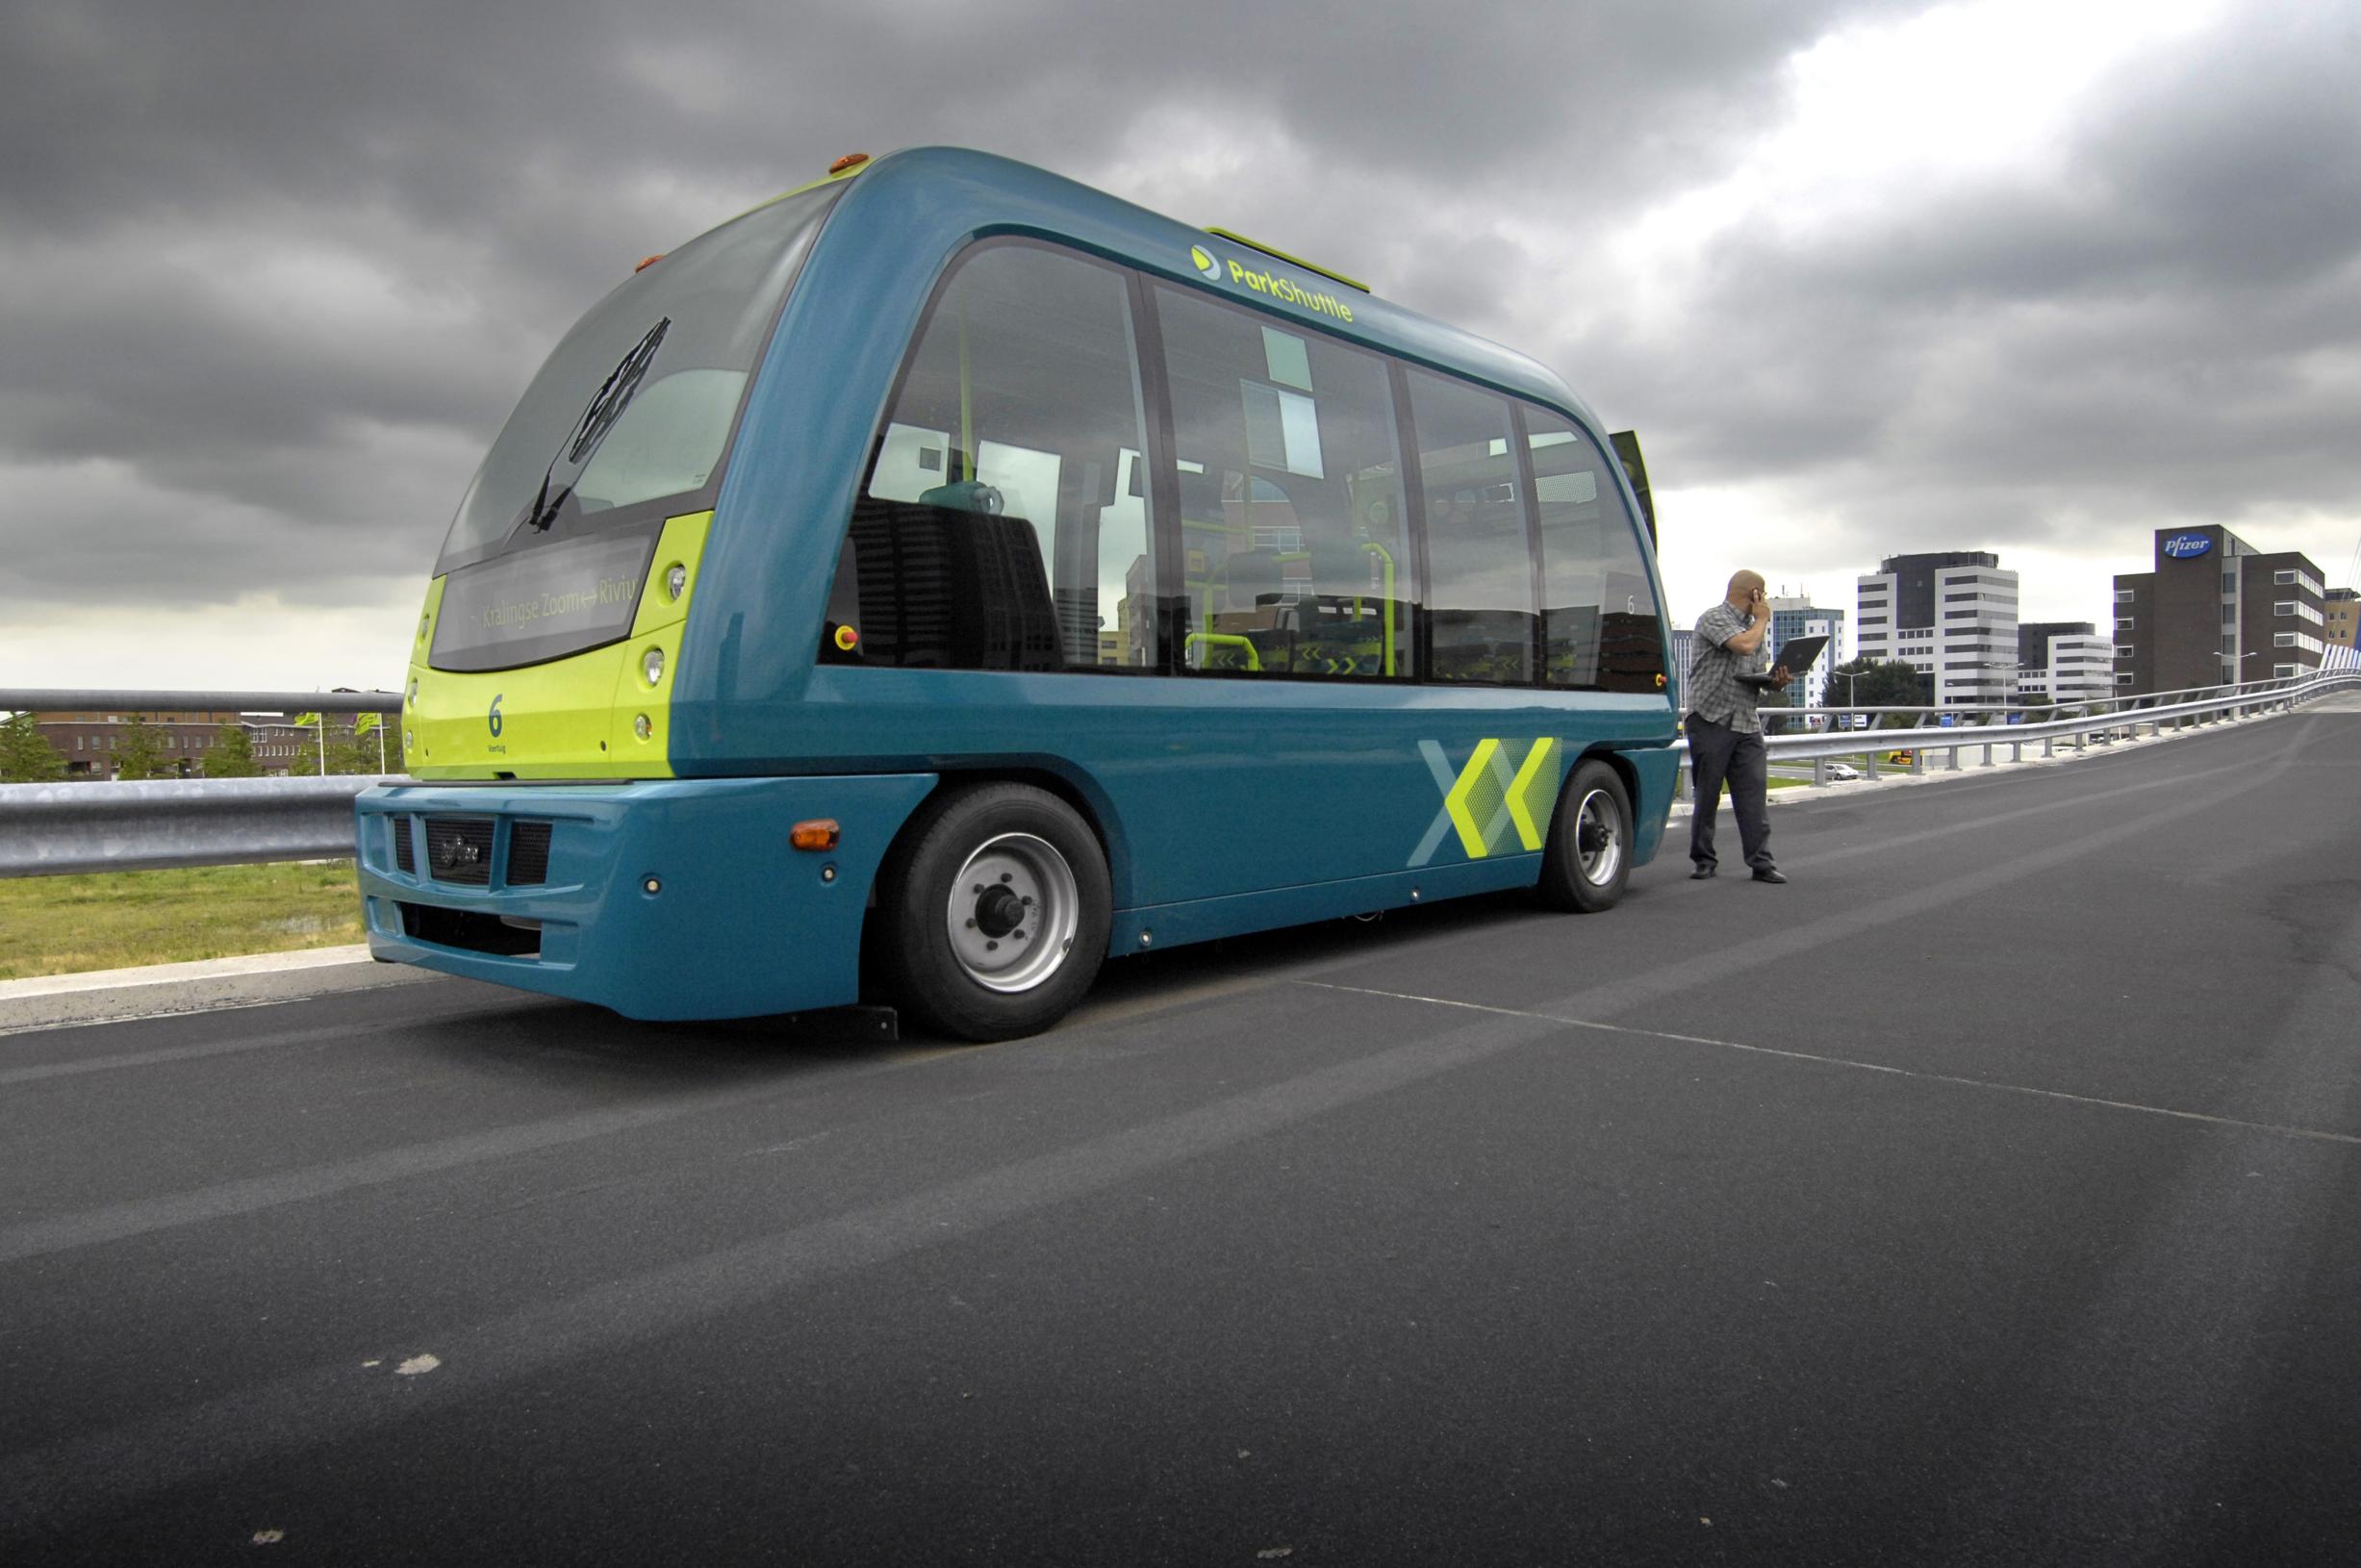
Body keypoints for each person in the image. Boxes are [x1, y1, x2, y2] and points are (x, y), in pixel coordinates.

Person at [1686, 570, 1790, 883]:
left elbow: (1755, 670)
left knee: (1754, 793)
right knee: (1708, 793)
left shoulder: (1752, 630)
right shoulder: (1713, 619)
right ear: (1755, 594)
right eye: (1764, 594)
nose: (1766, 600)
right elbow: (1743, 646)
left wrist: (1776, 682)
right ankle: (1704, 859)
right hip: (1710, 716)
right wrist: (1762, 620)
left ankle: (1761, 862)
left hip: (1745, 718)